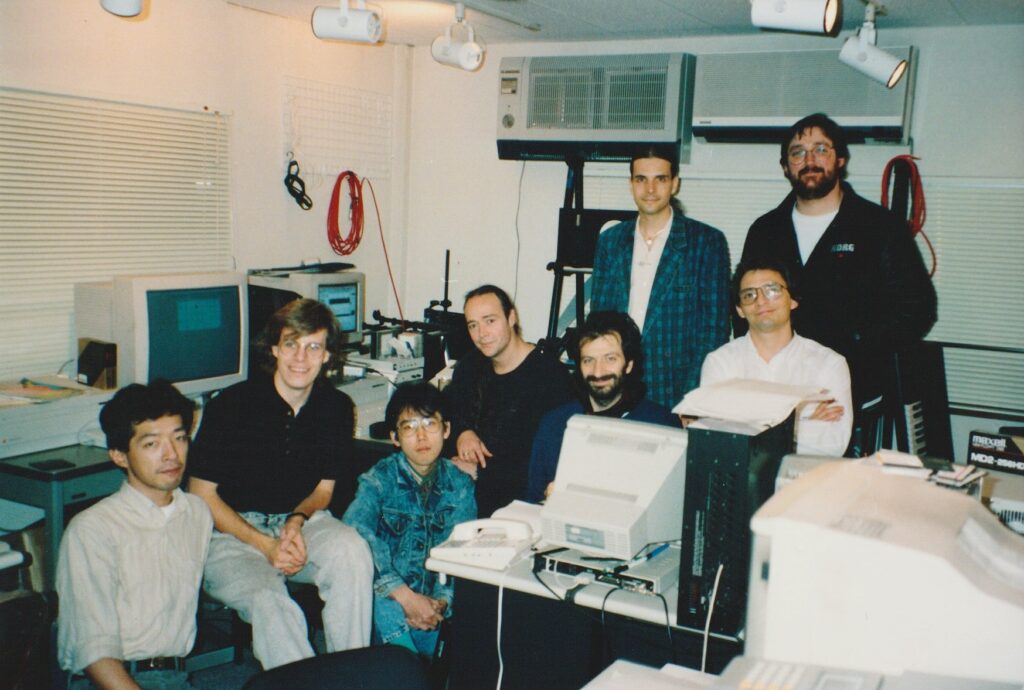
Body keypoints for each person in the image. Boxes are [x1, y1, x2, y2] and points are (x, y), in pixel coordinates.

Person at [188, 298, 373, 670]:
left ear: (327, 357)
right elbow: (201, 493)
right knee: (270, 601)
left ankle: (354, 677)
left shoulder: (337, 407)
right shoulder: (232, 404)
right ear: (274, 348)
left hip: (300, 525)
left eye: (313, 346)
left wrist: (296, 521)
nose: (300, 358)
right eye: (291, 344)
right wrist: (266, 545)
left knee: (353, 552)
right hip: (232, 535)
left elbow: (324, 490)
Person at [741, 113, 936, 424]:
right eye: (797, 152)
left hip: (851, 393)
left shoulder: (879, 227)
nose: (809, 160)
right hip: (776, 392)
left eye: (821, 149)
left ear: (841, 159)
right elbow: (743, 304)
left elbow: (918, 308)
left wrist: (856, 349)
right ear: (785, 166)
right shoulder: (765, 230)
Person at [57, 381, 212, 690]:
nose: (171, 455)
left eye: (179, 438)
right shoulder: (93, 529)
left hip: (177, 678)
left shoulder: (197, 513)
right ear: (119, 456)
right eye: (151, 444)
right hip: (110, 681)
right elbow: (93, 650)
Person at [590, 145, 731, 409]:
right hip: (617, 383)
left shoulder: (706, 242)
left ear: (675, 184)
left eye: (660, 179)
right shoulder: (610, 241)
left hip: (677, 387)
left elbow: (714, 331)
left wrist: (692, 399)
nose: (650, 189)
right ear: (631, 184)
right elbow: (599, 320)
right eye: (641, 179)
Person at [343, 382, 477, 657]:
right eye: (409, 427)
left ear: (446, 430)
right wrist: (404, 596)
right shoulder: (378, 480)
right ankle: (411, 668)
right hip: (388, 597)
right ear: (395, 437)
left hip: (433, 601)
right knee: (381, 598)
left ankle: (408, 668)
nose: (421, 436)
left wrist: (440, 602)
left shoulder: (460, 485)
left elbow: (463, 551)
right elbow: (355, 533)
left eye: (429, 424)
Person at [444, 285, 574, 517]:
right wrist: (464, 431)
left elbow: (544, 464)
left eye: (490, 321)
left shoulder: (550, 377)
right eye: (473, 325)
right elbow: (450, 412)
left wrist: (480, 472)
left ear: (511, 317)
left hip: (517, 506)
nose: (481, 333)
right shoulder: (470, 367)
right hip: (463, 498)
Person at [701, 258, 853, 456]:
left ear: (792, 300)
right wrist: (801, 421)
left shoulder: (829, 364)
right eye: (749, 294)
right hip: (741, 481)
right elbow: (716, 440)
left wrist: (747, 421)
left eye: (772, 290)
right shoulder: (720, 363)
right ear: (739, 309)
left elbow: (833, 445)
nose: (761, 301)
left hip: (806, 480)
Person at [526, 311, 679, 502]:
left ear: (629, 364)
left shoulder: (662, 425)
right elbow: (532, 501)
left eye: (610, 359)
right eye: (588, 360)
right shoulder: (554, 424)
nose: (598, 372)